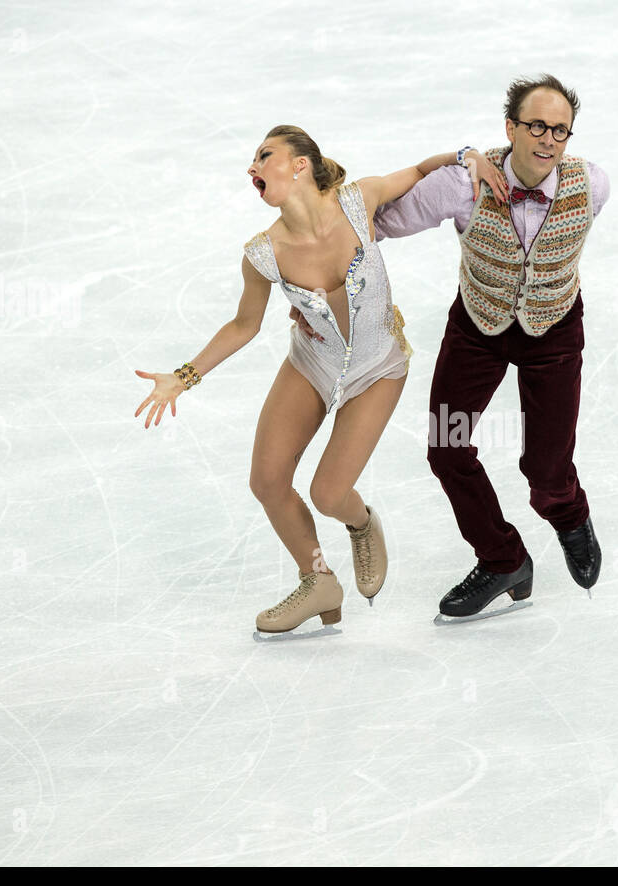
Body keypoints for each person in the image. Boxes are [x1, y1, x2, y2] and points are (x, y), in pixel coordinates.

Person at [134, 126, 505, 633]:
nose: (253, 167)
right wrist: (182, 377)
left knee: (329, 493)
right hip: (312, 363)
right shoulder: (262, 254)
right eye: (252, 161)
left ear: (301, 164)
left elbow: (419, 172)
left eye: (265, 156)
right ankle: (319, 582)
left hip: (378, 369)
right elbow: (244, 325)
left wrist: (467, 156)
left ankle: (360, 523)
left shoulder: (359, 202)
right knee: (266, 481)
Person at [343, 75, 609, 617]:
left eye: (560, 130)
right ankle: (502, 558)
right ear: (510, 127)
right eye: (536, 125)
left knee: (546, 473)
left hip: (554, 333)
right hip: (477, 330)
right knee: (447, 448)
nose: (548, 139)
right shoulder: (462, 185)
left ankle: (569, 515)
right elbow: (382, 221)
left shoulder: (593, 185)